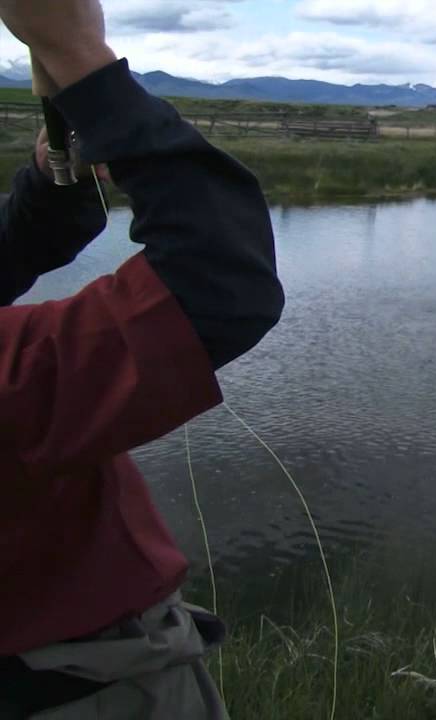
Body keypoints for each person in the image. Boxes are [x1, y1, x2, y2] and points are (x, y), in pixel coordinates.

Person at [0, 1, 284, 717]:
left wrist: (57, 162)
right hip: (84, 690)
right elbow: (219, 280)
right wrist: (81, 61)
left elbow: (30, 239)